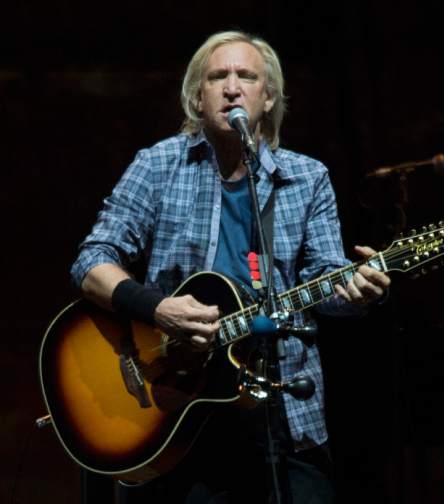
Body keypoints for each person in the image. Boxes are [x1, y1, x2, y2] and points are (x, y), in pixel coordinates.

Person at [71, 30, 391, 503]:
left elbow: (326, 284)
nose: (232, 86)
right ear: (197, 97)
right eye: (218, 76)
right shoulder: (158, 165)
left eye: (246, 76)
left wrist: (356, 292)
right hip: (176, 407)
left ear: (268, 98)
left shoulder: (308, 178)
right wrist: (158, 310)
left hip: (281, 415)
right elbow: (91, 260)